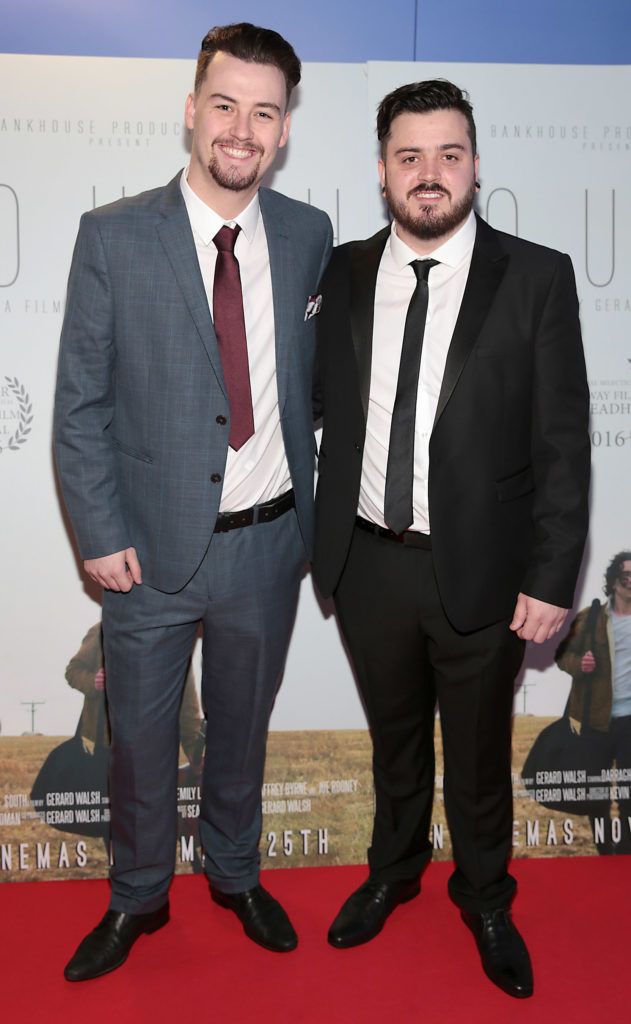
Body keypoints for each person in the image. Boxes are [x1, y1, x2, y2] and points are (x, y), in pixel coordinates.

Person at [54, 22, 332, 981]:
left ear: (285, 128)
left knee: (242, 731)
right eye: (226, 104)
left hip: (268, 546)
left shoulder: (309, 236)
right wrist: (99, 533)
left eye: (264, 110)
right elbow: (79, 405)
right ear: (190, 110)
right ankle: (136, 896)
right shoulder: (112, 235)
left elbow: (314, 386)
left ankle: (235, 873)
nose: (242, 129)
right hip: (148, 555)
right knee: (137, 740)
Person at [313, 79, 590, 999]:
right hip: (366, 562)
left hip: (483, 573)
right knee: (395, 744)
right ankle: (393, 870)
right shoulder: (342, 272)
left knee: (475, 759)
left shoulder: (537, 275)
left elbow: (561, 441)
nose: (427, 175)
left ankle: (482, 896)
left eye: (447, 154)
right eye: (408, 156)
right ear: (383, 169)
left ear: (475, 164)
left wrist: (553, 578)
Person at [556, 551, 631, 854]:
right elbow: (561, 656)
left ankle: (626, 850)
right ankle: (603, 849)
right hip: (595, 720)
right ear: (614, 582)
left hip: (630, 722)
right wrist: (579, 664)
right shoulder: (590, 618)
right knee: (595, 792)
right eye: (626, 577)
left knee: (629, 793)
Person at [66, 621, 205, 767]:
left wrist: (195, 751)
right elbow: (73, 671)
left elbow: (187, 704)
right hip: (105, 748)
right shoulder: (103, 631)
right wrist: (93, 682)